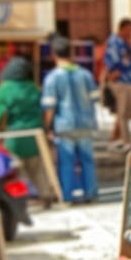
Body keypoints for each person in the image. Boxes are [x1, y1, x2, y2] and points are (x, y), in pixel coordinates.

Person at [0, 56, 55, 206]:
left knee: (17, 170)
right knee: (37, 168)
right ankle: (46, 194)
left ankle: (21, 198)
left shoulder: (5, 89)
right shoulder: (33, 87)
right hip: (36, 135)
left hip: (15, 136)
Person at [41, 35, 99, 203]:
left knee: (66, 162)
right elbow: (95, 97)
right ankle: (91, 193)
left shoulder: (52, 78)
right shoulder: (85, 74)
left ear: (54, 54)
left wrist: (47, 126)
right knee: (87, 160)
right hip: (86, 124)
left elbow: (49, 106)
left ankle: (68, 195)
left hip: (64, 125)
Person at [103, 18, 131, 147]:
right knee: (122, 112)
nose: (130, 33)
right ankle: (126, 140)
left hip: (129, 82)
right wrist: (113, 73)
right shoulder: (114, 42)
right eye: (128, 30)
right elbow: (112, 59)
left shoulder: (127, 43)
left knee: (125, 112)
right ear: (121, 29)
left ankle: (116, 137)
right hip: (120, 81)